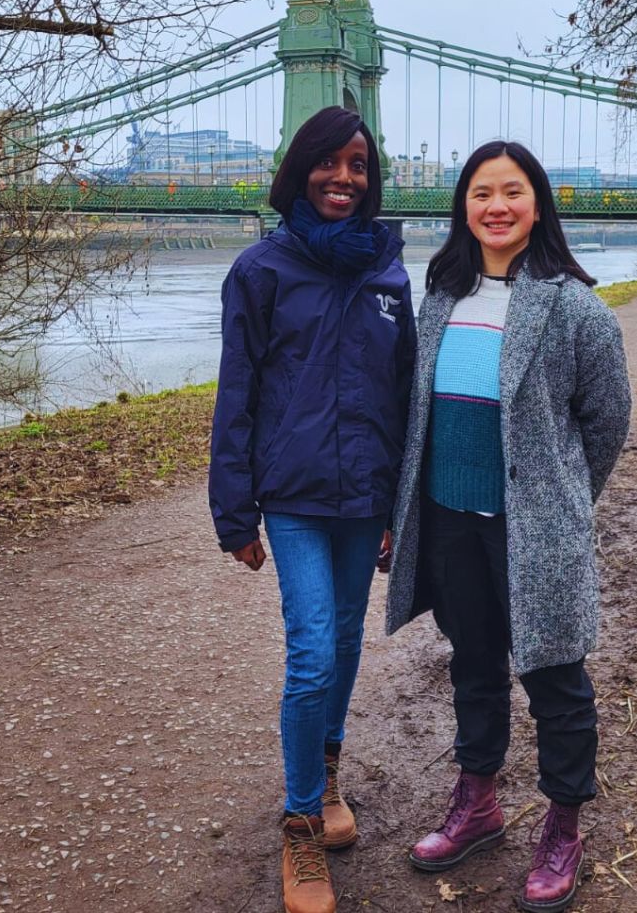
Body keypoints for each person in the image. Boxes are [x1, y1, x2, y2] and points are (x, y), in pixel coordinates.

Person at [383, 141, 631, 913]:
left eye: (512, 191)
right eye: (481, 192)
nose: (496, 206)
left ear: (537, 203)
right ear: (464, 206)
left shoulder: (573, 306)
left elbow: (607, 421)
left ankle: (563, 824)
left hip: (532, 529)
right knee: (474, 664)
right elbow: (420, 412)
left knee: (555, 675)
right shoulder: (441, 294)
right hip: (451, 518)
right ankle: (478, 802)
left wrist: (556, 501)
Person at [208, 106, 415, 913]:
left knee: (347, 646)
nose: (345, 178)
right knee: (313, 654)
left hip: (365, 497)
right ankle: (300, 825)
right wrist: (235, 514)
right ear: (300, 172)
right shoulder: (260, 272)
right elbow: (237, 399)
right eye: (329, 163)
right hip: (292, 496)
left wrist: (404, 502)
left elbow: (401, 399)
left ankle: (326, 777)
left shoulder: (390, 276)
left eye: (359, 165)